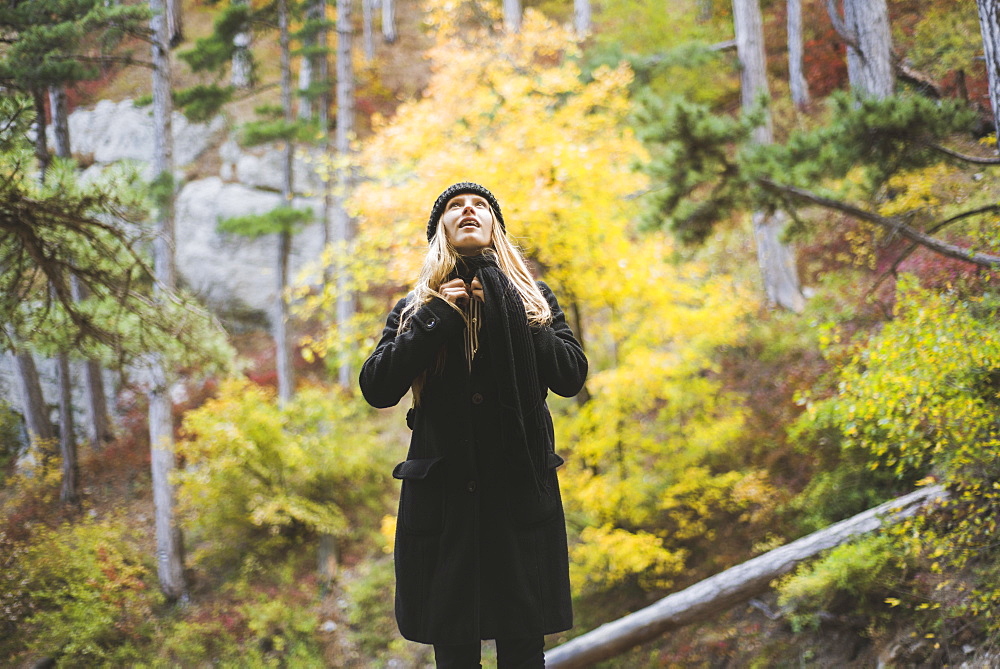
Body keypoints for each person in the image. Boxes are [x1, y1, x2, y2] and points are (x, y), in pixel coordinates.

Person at [360, 182, 588, 668]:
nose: (468, 211)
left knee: (524, 648)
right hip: (445, 509)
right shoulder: (416, 308)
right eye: (455, 207)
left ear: (495, 228)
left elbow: (570, 376)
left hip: (519, 503)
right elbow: (377, 387)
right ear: (440, 228)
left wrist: (511, 309)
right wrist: (438, 315)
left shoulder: (534, 298)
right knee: (455, 650)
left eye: (480, 206)